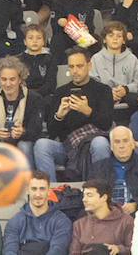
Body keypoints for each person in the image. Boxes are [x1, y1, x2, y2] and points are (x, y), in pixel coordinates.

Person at [34, 48, 113, 182]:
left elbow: (106, 124)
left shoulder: (103, 90)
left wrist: (88, 111)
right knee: (42, 145)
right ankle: (51, 194)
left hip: (92, 144)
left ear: (89, 66)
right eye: (71, 67)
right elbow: (52, 133)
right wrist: (59, 116)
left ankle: (100, 191)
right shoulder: (60, 92)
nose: (75, 71)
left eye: (79, 66)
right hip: (68, 147)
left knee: (100, 143)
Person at [5, 171, 71, 255]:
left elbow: (58, 249)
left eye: (42, 189)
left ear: (49, 190)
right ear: (27, 190)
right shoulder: (15, 221)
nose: (38, 194)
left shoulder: (61, 220)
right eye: (34, 189)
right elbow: (10, 249)